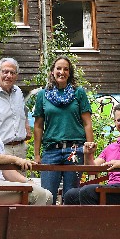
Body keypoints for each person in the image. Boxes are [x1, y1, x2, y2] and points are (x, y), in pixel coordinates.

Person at [33, 55, 94, 204]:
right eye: (58, 68)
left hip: (74, 150)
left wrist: (90, 149)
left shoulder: (78, 93)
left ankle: (69, 226)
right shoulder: (43, 95)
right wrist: (36, 154)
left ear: (70, 73)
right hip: (51, 150)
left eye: (66, 69)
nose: (62, 72)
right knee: (47, 196)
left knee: (71, 195)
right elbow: (38, 126)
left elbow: (87, 123)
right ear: (52, 72)